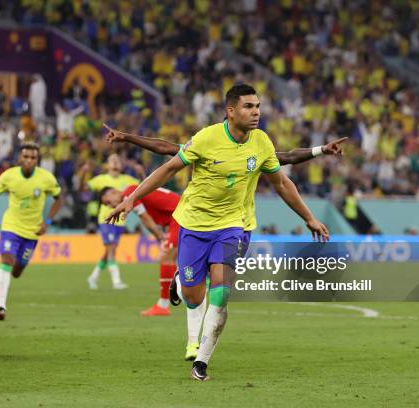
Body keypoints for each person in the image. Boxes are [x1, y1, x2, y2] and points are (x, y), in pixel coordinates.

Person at [106, 84, 329, 381]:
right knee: (194, 296)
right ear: (231, 111)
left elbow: (282, 184)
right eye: (249, 106)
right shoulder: (207, 138)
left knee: (221, 291)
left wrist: (308, 217)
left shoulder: (261, 142)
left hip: (234, 227)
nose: (256, 112)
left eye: (258, 106)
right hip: (195, 226)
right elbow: (168, 168)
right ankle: (181, 282)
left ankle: (201, 361)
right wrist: (133, 198)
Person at [0, 142, 62, 320]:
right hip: (11, 226)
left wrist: (47, 221)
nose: (29, 160)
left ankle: (16, 271)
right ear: (19, 157)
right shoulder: (8, 176)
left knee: (17, 271)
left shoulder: (46, 178)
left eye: (33, 157)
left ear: (37, 160)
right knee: (7, 260)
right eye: (25, 156)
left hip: (32, 232)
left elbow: (58, 199)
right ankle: (1, 306)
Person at [100, 184, 179, 316]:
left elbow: (144, 217)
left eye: (108, 202)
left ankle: (163, 305)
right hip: (179, 215)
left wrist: (160, 237)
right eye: (107, 205)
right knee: (186, 258)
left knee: (166, 257)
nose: (111, 206)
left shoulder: (129, 194)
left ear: (114, 192)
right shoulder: (134, 191)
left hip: (180, 216)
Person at [86, 154, 139, 290]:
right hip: (106, 220)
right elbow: (84, 188)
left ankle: (93, 277)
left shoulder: (128, 180)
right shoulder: (101, 179)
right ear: (107, 165)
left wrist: (141, 173)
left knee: (108, 251)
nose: (115, 163)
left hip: (120, 222)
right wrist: (83, 173)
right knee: (111, 251)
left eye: (118, 160)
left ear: (121, 165)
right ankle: (116, 281)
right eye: (112, 160)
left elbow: (143, 187)